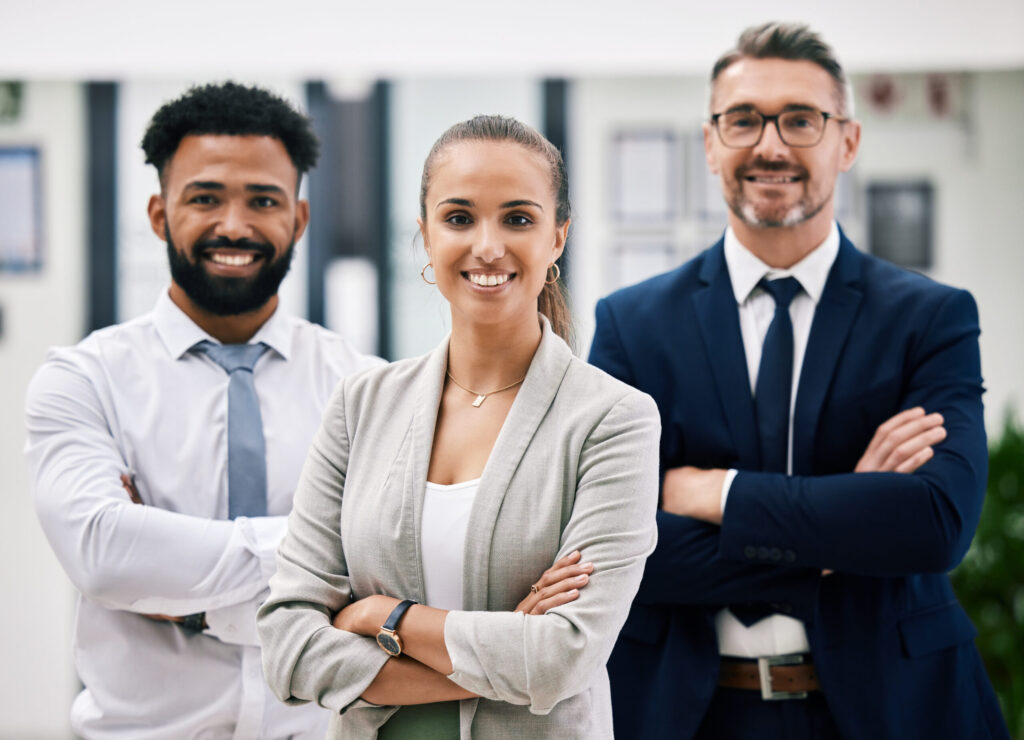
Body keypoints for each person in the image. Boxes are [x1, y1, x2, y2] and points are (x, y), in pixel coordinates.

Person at [590, 22, 1009, 740]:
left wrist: (713, 494)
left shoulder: (931, 319)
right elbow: (612, 550)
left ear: (846, 141)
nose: (771, 144)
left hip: (896, 707)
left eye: (801, 120)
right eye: (744, 119)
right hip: (687, 711)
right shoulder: (633, 324)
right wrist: (840, 536)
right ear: (710, 143)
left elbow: (936, 526)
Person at [257, 114, 660, 738]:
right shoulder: (360, 406)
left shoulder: (613, 419)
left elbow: (563, 658)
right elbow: (289, 647)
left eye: (519, 219)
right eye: (459, 217)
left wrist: (386, 616)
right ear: (425, 236)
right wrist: (506, 650)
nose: (488, 246)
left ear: (558, 237)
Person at [24, 82, 382, 739]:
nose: (235, 226)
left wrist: (182, 597)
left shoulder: (368, 388)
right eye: (206, 198)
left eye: (264, 200)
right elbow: (105, 556)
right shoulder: (82, 379)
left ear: (298, 219)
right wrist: (318, 552)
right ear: (160, 214)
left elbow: (389, 571)